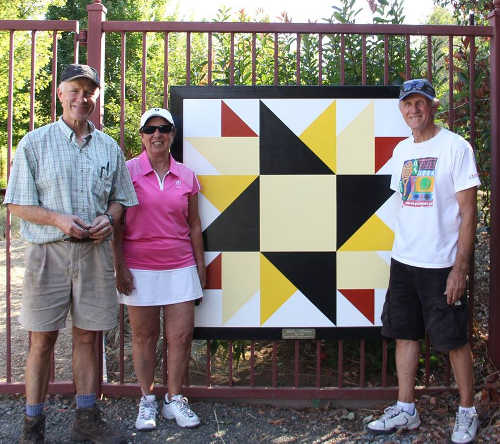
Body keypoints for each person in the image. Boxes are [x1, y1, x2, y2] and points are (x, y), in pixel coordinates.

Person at [4, 64, 138, 444]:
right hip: (48, 253)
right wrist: (57, 220)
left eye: (90, 91)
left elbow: (120, 200)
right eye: (75, 90)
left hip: (94, 255)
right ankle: (33, 424)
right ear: (60, 93)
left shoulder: (108, 147)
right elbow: (16, 204)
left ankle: (86, 418)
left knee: (87, 337)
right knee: (41, 339)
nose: (83, 98)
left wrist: (109, 220)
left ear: (97, 97)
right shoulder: (34, 143)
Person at [366, 79, 480, 444]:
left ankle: (466, 411)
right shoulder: (401, 151)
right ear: (401, 110)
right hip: (405, 261)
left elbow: (468, 211)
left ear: (432, 106)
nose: (413, 110)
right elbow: (404, 204)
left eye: (419, 103)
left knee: (454, 340)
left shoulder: (455, 147)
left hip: (442, 263)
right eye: (406, 104)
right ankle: (406, 408)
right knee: (405, 335)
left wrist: (460, 268)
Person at [112, 108, 205, 431]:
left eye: (164, 129)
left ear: (172, 135)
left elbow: (194, 226)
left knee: (180, 336)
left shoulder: (188, 176)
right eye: (150, 129)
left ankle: (174, 399)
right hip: (139, 267)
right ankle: (147, 398)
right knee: (144, 336)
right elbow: (116, 226)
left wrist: (200, 268)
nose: (157, 134)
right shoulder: (126, 172)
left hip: (180, 265)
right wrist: (119, 268)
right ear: (141, 135)